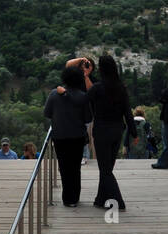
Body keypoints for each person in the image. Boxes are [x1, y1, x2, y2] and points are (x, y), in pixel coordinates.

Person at [88, 53, 137, 212]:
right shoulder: (121, 88)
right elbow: (128, 112)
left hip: (102, 131)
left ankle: (119, 201)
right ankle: (100, 199)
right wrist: (134, 133)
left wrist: (85, 76)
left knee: (105, 169)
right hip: (117, 131)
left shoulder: (97, 88)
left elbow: (83, 100)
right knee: (107, 167)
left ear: (101, 69)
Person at [43, 64, 91, 206]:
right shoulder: (83, 97)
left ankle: (67, 198)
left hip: (60, 136)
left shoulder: (54, 94)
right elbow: (88, 118)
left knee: (64, 167)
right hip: (77, 137)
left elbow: (46, 113)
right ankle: (74, 198)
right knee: (75, 167)